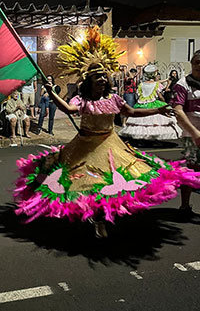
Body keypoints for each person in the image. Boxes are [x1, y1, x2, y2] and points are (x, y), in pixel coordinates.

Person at [13, 26, 200, 238]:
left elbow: (131, 112)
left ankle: (101, 216)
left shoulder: (113, 99)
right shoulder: (82, 100)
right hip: (84, 146)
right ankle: (95, 217)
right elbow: (68, 109)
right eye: (97, 77)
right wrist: (50, 91)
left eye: (104, 76)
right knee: (83, 181)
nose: (102, 79)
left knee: (109, 182)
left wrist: (158, 109)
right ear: (89, 81)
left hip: (111, 145)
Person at [119, 64, 182, 142]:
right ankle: (154, 138)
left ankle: (142, 138)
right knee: (155, 122)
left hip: (141, 103)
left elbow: (138, 95)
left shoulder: (141, 85)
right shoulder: (157, 84)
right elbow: (159, 95)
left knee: (141, 120)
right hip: (153, 103)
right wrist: (163, 101)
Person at [172, 50, 200, 219]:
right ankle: (184, 205)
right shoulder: (182, 85)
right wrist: (195, 132)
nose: (199, 66)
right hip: (191, 135)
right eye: (197, 62)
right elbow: (178, 111)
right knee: (191, 170)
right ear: (192, 64)